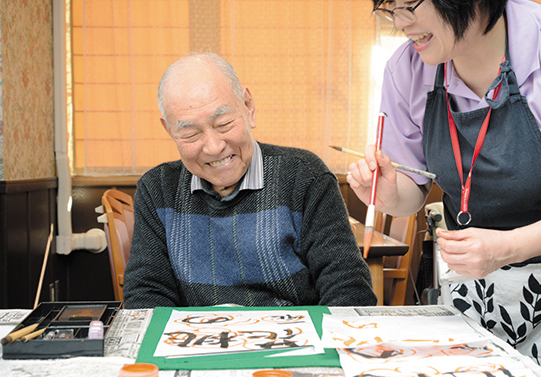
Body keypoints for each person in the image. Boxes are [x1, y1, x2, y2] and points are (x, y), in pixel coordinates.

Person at [348, 0, 541, 374]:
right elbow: (414, 190)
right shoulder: (407, 69)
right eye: (389, 6)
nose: (400, 22)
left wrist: (509, 247)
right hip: (474, 286)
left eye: (410, 4)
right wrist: (387, 192)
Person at [123, 52, 377, 309]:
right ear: (170, 131)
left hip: (294, 342)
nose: (213, 147)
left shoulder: (305, 176)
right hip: (200, 345)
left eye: (223, 123)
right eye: (190, 133)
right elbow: (146, 296)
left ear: (248, 107)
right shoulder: (157, 190)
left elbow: (348, 289)